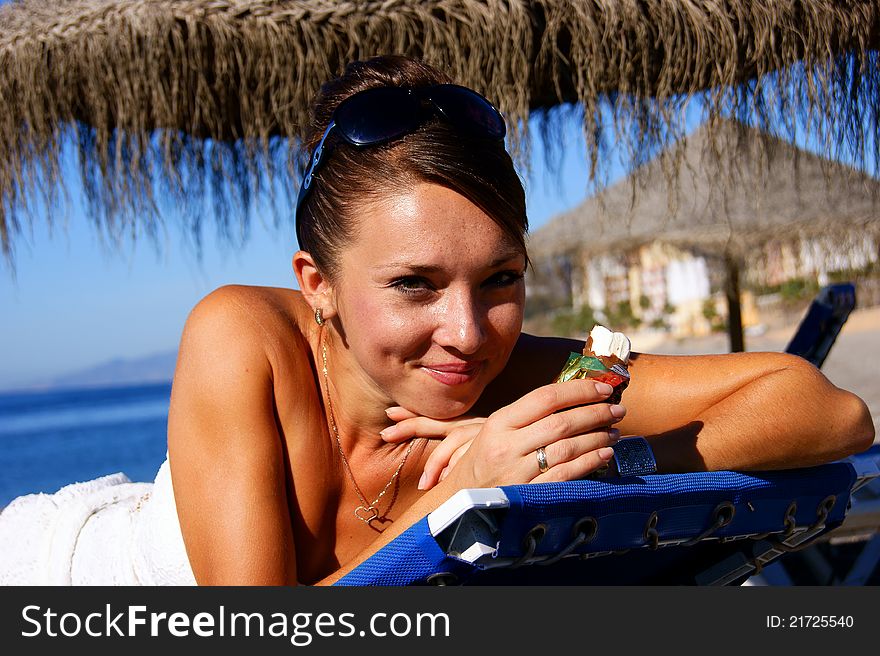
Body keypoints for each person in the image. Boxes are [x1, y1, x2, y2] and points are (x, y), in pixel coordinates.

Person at [160, 54, 875, 586]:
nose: (469, 334)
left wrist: (607, 460)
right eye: (415, 284)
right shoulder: (243, 340)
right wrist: (461, 492)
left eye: (501, 279)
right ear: (317, 284)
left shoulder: (522, 382)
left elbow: (832, 412)